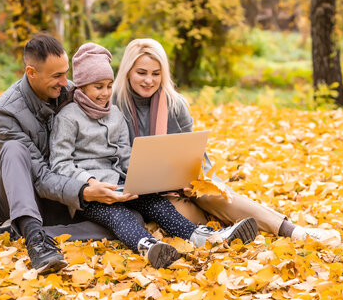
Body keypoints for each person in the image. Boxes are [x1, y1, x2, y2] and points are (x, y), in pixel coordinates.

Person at [112, 38, 341, 246]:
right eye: (142, 73)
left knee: (214, 194)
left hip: (184, 183)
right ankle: (231, 230)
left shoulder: (175, 104)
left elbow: (195, 154)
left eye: (156, 73)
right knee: (181, 215)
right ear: (128, 72)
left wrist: (195, 179)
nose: (149, 80)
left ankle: (295, 231)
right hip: (146, 196)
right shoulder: (114, 105)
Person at [49, 43, 258, 268]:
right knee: (120, 216)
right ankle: (147, 247)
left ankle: (204, 237)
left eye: (109, 86)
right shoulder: (68, 118)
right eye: (98, 87)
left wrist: (146, 177)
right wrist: (89, 184)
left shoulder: (114, 114)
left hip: (120, 185)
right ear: (81, 86)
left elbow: (124, 154)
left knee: (158, 204)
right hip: (91, 194)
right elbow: (60, 163)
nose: (105, 93)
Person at [0, 33, 139, 275]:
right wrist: (84, 191)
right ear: (31, 73)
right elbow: (39, 176)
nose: (66, 82)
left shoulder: (70, 92)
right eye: (57, 76)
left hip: (58, 195)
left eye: (66, 73)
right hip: (12, 199)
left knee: (130, 219)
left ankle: (28, 233)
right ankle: (36, 241)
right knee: (13, 149)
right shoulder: (4, 113)